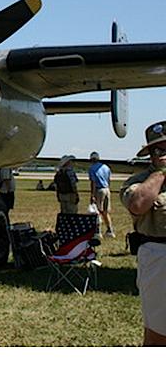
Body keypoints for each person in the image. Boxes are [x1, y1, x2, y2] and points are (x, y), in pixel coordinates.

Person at [120, 121, 166, 346]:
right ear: (151, 156)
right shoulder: (138, 183)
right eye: (160, 150)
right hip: (159, 257)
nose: (165, 154)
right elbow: (138, 204)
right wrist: (161, 174)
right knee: (159, 332)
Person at [88, 151, 115, 238]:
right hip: (107, 189)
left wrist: (92, 194)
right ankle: (110, 230)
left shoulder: (92, 168)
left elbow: (93, 182)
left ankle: (97, 232)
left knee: (97, 211)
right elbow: (109, 179)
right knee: (106, 212)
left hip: (99, 190)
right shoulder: (106, 167)